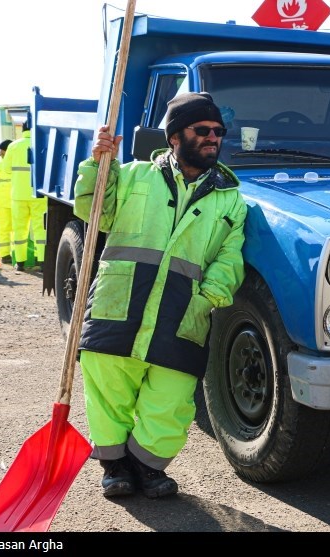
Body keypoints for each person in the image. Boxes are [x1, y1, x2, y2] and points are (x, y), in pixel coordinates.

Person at [73, 92, 247, 499]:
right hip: (118, 303)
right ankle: (115, 466)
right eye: (201, 130)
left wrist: (209, 297)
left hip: (184, 311)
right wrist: (98, 164)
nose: (212, 138)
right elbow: (93, 210)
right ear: (173, 136)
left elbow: (229, 257)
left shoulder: (231, 199)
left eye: (218, 132)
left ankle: (146, 466)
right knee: (108, 390)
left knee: (170, 400)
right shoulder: (132, 175)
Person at [1, 119, 46, 272]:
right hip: (38, 195)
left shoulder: (13, 146)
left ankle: (20, 263)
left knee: (19, 229)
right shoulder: (42, 143)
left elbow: (6, 169)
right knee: (40, 229)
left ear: (23, 129)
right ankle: (42, 261)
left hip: (18, 195)